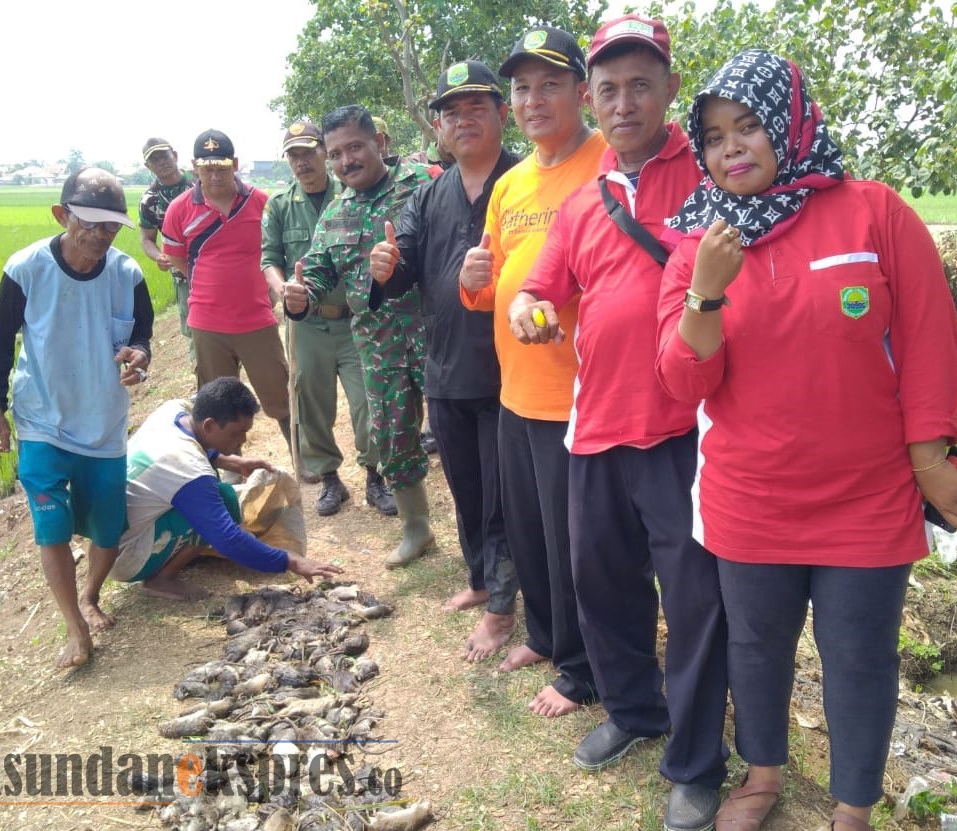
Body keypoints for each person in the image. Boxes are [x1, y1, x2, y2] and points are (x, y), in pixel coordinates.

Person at [656, 50, 957, 831]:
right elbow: (682, 379)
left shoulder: (874, 213)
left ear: (792, 123)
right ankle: (763, 773)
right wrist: (707, 289)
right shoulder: (699, 239)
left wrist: (930, 459)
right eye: (715, 135)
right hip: (751, 494)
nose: (732, 147)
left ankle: (852, 806)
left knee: (860, 657)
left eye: (750, 125)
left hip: (867, 497)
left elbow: (930, 340)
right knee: (758, 647)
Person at [508, 16, 728, 830]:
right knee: (601, 581)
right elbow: (540, 287)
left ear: (671, 89)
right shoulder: (584, 198)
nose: (623, 102)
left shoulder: (708, 173)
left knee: (699, 598)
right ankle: (635, 710)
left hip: (685, 430)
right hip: (594, 427)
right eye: (608, 89)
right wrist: (531, 308)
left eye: (641, 84)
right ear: (591, 101)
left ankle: (699, 758)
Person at [459, 25, 606, 715]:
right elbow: (493, 285)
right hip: (514, 392)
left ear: (583, 91)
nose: (534, 99)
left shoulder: (610, 163)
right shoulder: (512, 183)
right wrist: (471, 279)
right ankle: (546, 635)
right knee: (529, 532)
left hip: (579, 395)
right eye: (522, 87)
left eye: (550, 83)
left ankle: (583, 668)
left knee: (577, 544)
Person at [369, 60, 520, 662]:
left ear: (501, 115)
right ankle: (482, 579)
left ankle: (504, 609)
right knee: (464, 483)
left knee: (505, 494)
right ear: (438, 128)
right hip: (447, 368)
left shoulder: (525, 181)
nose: (463, 119)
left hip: (514, 374)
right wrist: (386, 264)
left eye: (476, 107)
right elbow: (403, 265)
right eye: (451, 111)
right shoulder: (429, 195)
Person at [0, 168, 154, 668]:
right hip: (43, 421)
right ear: (62, 215)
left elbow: (141, 337)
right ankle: (75, 629)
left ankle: (91, 594)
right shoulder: (26, 268)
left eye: (111, 226)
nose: (100, 235)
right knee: (50, 524)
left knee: (107, 529)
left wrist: (138, 359)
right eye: (90, 223)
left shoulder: (128, 275)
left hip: (103, 423)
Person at [284, 105, 432, 569]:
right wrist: (298, 294)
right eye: (336, 154)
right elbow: (319, 269)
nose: (346, 160)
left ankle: (488, 532)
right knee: (390, 434)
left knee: (462, 434)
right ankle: (416, 528)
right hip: (377, 344)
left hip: (435, 337)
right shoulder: (336, 212)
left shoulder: (423, 186)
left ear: (379, 145)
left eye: (355, 147)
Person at [262, 121, 393, 517]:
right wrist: (284, 289)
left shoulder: (352, 194)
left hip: (355, 320)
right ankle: (330, 480)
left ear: (325, 152)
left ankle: (374, 475)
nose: (302, 162)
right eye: (293, 155)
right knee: (311, 401)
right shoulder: (280, 205)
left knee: (367, 401)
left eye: (309, 152)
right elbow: (269, 259)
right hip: (307, 325)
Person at [109, 377, 342, 598]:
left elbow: (192, 444)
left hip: (109, 542)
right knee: (224, 501)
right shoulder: (191, 469)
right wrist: (290, 561)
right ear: (210, 425)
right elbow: (227, 539)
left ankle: (168, 558)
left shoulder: (173, 410)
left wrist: (230, 461)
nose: (242, 441)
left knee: (215, 499)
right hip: (128, 557)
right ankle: (161, 578)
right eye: (237, 433)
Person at [161, 129, 294, 458]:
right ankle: (229, 468)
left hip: (256, 319)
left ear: (235, 165)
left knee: (280, 395)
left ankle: (304, 458)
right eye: (207, 169)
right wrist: (209, 281)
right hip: (207, 324)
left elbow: (277, 249)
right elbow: (177, 257)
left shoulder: (261, 202)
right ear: (195, 167)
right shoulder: (180, 209)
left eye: (222, 167)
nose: (215, 175)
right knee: (216, 406)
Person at [138, 138, 194, 361]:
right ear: (147, 166)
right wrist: (158, 256)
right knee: (196, 334)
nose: (161, 161)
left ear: (175, 155)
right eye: (154, 158)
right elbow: (146, 239)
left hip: (216, 267)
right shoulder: (150, 200)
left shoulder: (200, 184)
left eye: (164, 155)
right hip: (183, 277)